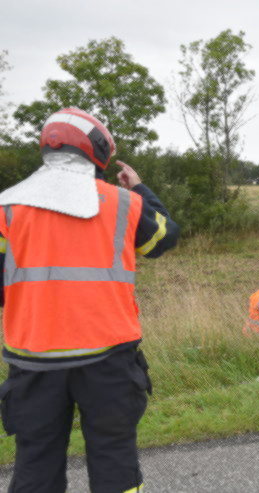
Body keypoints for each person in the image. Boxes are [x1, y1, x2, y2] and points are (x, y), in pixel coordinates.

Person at [0, 107, 179, 492]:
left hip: (33, 359)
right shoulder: (123, 203)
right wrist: (140, 188)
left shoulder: (7, 207)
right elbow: (164, 238)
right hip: (109, 357)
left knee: (35, 463)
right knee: (115, 458)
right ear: (97, 151)